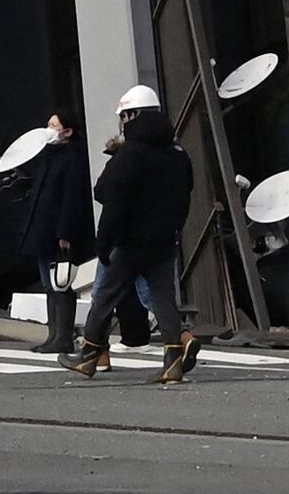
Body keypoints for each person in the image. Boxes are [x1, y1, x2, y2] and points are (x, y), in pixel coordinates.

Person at [77, 84, 204, 385]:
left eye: (124, 116)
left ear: (131, 116)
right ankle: (173, 359)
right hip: (163, 240)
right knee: (163, 299)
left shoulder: (129, 156)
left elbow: (114, 203)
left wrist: (103, 242)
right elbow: (185, 196)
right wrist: (173, 227)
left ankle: (88, 355)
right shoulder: (177, 154)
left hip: (130, 241)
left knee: (105, 296)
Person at [0, 120, 91, 358]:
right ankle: (54, 334)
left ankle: (63, 336)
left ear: (68, 131)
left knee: (60, 283)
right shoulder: (49, 156)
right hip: (43, 228)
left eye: (55, 125)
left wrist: (65, 233)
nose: (49, 129)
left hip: (55, 231)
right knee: (49, 283)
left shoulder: (71, 158)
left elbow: (71, 199)